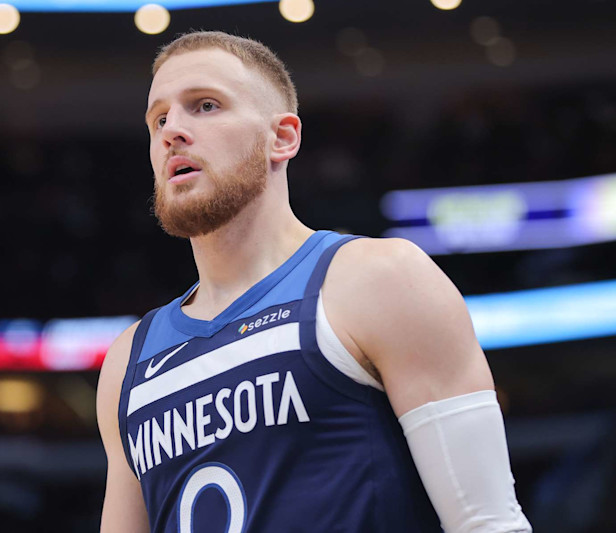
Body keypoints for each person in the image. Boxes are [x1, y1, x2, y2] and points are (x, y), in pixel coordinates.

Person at [97, 31, 532, 533]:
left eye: (205, 105)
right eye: (159, 118)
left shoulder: (379, 279)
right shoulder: (128, 361)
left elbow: (488, 522)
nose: (173, 129)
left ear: (281, 137)